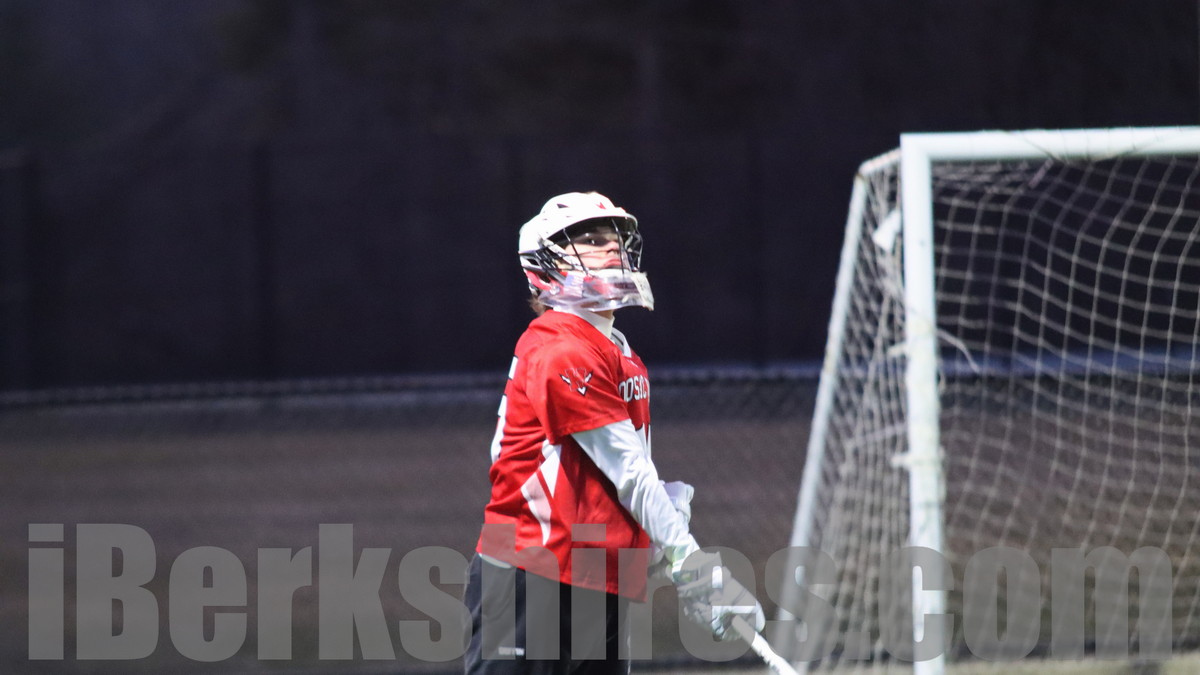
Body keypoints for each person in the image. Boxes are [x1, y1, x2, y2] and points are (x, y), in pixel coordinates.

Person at [463, 191, 765, 675]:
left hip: (594, 574)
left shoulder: (616, 348)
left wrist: (655, 525)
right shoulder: (563, 349)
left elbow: (611, 474)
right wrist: (693, 567)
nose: (610, 248)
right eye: (589, 239)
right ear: (543, 263)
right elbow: (629, 472)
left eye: (614, 238)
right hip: (533, 567)